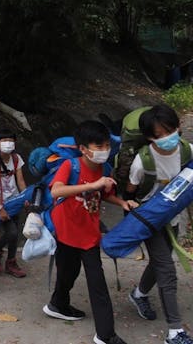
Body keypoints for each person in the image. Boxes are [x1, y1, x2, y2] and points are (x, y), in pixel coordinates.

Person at [42, 120, 137, 344]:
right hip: (66, 231)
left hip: (88, 234)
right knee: (68, 273)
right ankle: (59, 305)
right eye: (98, 146)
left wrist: (121, 202)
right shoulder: (71, 166)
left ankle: (104, 334)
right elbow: (57, 191)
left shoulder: (104, 169)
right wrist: (92, 186)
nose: (104, 151)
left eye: (106, 145)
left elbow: (102, 194)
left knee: (97, 283)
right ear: (83, 148)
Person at [126, 104, 193, 344]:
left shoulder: (188, 151)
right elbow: (131, 191)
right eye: (160, 135)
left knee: (158, 263)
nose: (168, 138)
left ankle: (138, 294)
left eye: (171, 130)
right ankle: (175, 332)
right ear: (149, 137)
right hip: (149, 220)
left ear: (178, 127)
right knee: (167, 270)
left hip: (172, 217)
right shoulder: (142, 161)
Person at [0, 129, 27, 277]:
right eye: (4, 141)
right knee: (12, 232)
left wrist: (25, 196)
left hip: (15, 200)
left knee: (14, 234)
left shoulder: (16, 159)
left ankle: (11, 263)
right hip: (0, 202)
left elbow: (20, 180)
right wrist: (0, 208)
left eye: (11, 140)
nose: (8, 143)